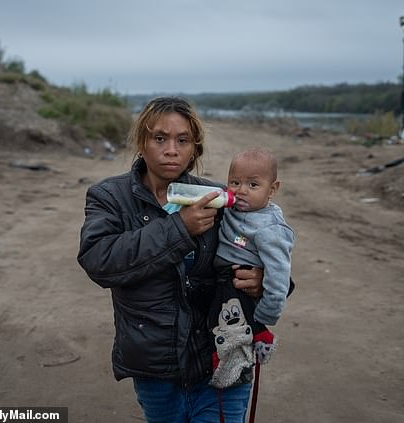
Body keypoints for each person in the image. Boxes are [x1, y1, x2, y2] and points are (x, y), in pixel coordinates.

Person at [77, 96, 264, 423]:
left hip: (224, 359)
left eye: (183, 140)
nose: (171, 149)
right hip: (157, 370)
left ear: (195, 148)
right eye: (159, 138)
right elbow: (99, 260)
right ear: (141, 143)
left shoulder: (217, 198)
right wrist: (180, 229)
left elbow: (266, 246)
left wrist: (262, 279)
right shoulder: (110, 197)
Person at [208, 149, 295, 389]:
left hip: (238, 281)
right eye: (235, 182)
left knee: (220, 320)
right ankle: (249, 340)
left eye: (253, 184)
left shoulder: (270, 228)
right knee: (217, 318)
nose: (241, 190)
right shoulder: (231, 208)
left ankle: (257, 335)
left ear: (273, 190)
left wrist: (267, 312)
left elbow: (279, 275)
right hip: (224, 276)